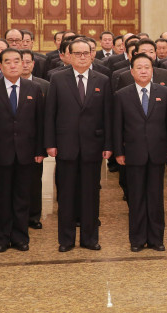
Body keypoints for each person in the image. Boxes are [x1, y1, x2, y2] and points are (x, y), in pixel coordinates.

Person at [44, 39, 112, 252]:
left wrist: (109, 144)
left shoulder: (102, 79)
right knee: (66, 195)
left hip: (93, 146)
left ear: (92, 55)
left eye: (86, 53)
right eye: (78, 53)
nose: (82, 57)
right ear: (69, 56)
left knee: (91, 195)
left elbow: (108, 115)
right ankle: (66, 240)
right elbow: (50, 114)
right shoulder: (57, 79)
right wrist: (50, 143)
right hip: (66, 145)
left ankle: (90, 239)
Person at [0, 48, 45, 253]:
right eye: (8, 61)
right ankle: (0, 238)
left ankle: (20, 237)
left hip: (26, 153)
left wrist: (39, 150)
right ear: (0, 64)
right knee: (0, 198)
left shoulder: (33, 88)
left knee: (22, 198)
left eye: (18, 61)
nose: (14, 65)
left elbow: (39, 123)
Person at [113, 53, 167, 252]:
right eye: (139, 67)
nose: (143, 71)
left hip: (158, 152)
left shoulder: (164, 93)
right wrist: (118, 152)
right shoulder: (122, 95)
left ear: (153, 71)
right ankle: (137, 239)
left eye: (147, 67)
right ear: (131, 71)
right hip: (133, 153)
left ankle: (157, 238)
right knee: (137, 197)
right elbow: (117, 127)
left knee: (156, 197)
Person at [20, 49, 49, 230]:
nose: (24, 64)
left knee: (34, 181)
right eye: (20, 61)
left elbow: (47, 117)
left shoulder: (44, 85)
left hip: (34, 142)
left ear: (33, 64)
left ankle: (34, 216)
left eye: (27, 62)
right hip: (11, 142)